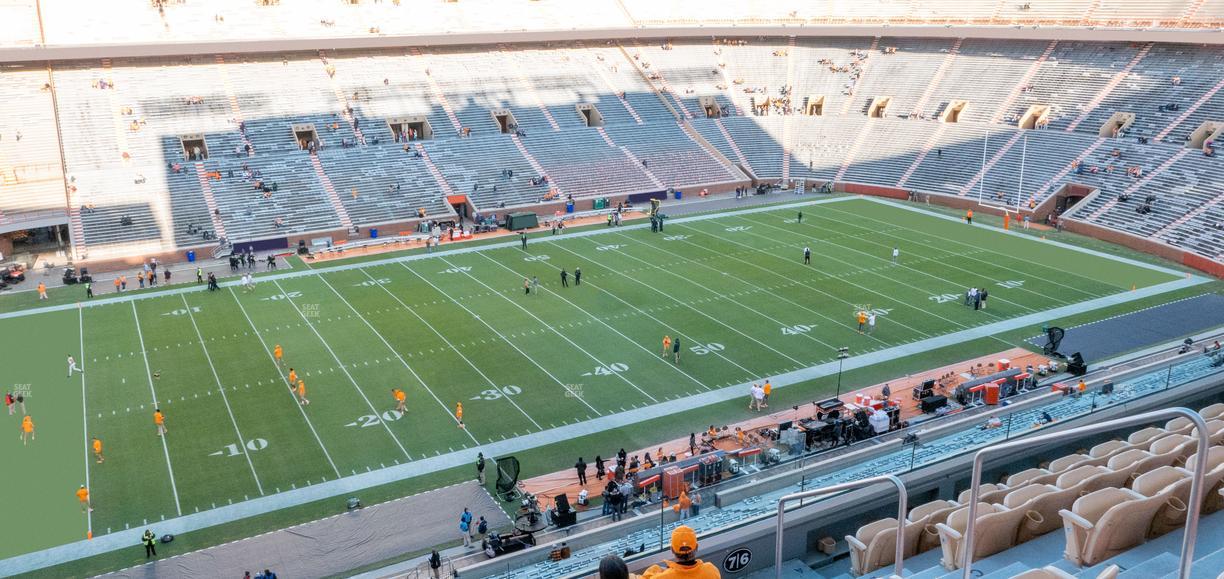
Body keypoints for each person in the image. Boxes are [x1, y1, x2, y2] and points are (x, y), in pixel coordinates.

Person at [640, 525, 720, 578]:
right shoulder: (711, 570)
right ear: (696, 547)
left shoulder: (661, 577)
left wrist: (656, 569)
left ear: (672, 549)